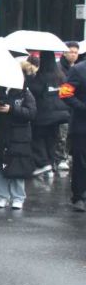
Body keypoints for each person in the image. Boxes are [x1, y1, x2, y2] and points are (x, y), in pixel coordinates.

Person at [0, 79, 36, 209]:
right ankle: (2, 196)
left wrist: (12, 109)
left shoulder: (24, 93)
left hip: (18, 137)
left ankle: (18, 197)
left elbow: (31, 113)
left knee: (17, 167)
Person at [28, 51, 69, 176]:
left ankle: (43, 164)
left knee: (38, 138)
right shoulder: (62, 77)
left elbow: (34, 91)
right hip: (60, 116)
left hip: (42, 116)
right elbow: (67, 95)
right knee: (52, 139)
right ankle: (51, 163)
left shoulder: (40, 77)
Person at [60, 59, 86, 211]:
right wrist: (82, 107)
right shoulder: (78, 70)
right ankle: (78, 196)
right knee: (81, 162)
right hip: (82, 126)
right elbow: (64, 93)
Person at [55, 42, 80, 172]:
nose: (73, 55)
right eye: (71, 52)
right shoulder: (58, 68)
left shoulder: (77, 67)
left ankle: (67, 155)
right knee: (62, 135)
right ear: (64, 52)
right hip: (62, 106)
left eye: (76, 52)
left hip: (74, 107)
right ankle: (60, 158)